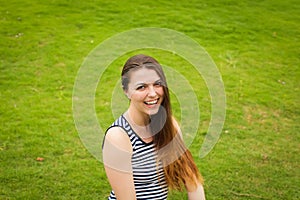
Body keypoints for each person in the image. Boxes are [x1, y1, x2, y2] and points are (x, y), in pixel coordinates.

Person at [102, 54, 205, 200]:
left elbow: (192, 180)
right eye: (141, 87)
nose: (152, 93)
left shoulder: (169, 125)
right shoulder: (118, 137)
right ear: (126, 91)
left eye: (157, 84)